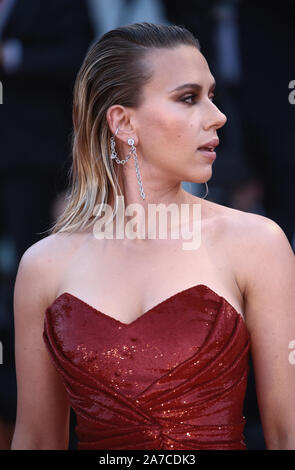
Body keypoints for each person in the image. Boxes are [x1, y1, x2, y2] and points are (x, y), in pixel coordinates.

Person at [10, 23, 295, 450]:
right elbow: (35, 439)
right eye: (188, 98)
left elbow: (287, 433)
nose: (218, 117)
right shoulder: (44, 265)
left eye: (212, 96)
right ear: (123, 122)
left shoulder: (257, 243)